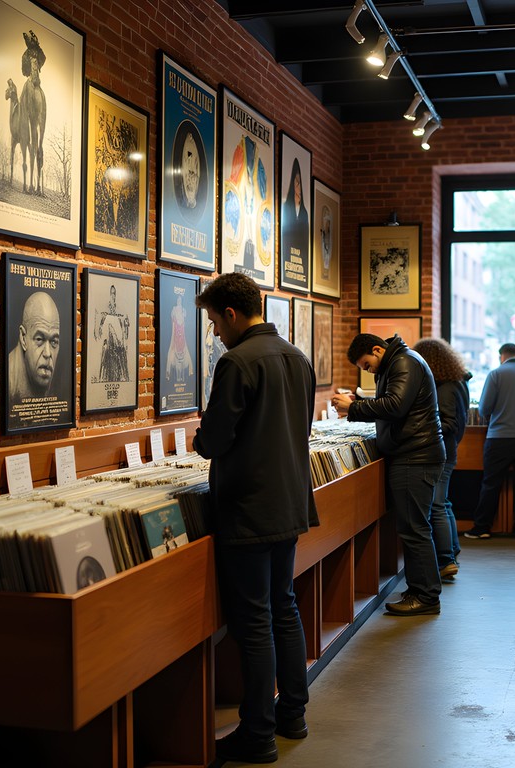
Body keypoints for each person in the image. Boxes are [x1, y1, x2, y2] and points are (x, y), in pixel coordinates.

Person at [193, 272, 317, 764]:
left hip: (247, 509)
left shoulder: (237, 361)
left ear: (231, 314)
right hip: (289, 503)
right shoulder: (297, 357)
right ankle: (293, 715)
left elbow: (214, 439)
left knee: (254, 622)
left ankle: (258, 733)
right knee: (284, 608)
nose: (214, 333)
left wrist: (202, 438)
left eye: (214, 322)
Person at [332, 333, 445, 616]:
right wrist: (359, 399)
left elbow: (395, 406)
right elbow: (394, 402)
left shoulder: (403, 362)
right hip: (413, 454)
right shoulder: (398, 362)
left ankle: (427, 596)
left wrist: (353, 407)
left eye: (367, 365)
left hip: (415, 456)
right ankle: (419, 589)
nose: (369, 371)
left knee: (415, 528)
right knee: (412, 527)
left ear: (377, 350)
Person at [463, 342, 515, 540]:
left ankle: (482, 527)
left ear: (502, 356)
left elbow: (484, 408)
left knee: (491, 483)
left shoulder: (495, 374)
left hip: (499, 437)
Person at [413, 337, 471, 582]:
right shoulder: (456, 381)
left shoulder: (446, 387)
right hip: (448, 450)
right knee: (443, 503)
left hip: (442, 451)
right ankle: (452, 552)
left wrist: (420, 426)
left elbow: (448, 423)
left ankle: (446, 560)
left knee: (436, 505)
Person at [8, 291, 60, 402]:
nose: (47, 353)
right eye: (39, 339)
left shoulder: (61, 382)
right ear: (23, 338)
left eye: (53, 342)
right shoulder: (9, 381)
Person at [94, 284, 130, 382]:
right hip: (108, 342)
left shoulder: (119, 310)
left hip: (118, 343)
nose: (113, 296)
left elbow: (125, 328)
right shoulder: (103, 310)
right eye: (111, 293)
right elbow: (98, 331)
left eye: (114, 293)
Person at [280, 157, 309, 268]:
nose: (299, 187)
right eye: (297, 182)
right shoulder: (286, 208)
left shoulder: (304, 213)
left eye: (300, 183)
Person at [166, 294, 194, 382]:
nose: (179, 301)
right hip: (176, 332)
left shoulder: (183, 310)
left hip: (182, 333)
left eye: (180, 300)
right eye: (178, 300)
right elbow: (173, 321)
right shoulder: (174, 309)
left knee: (183, 350)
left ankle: (183, 375)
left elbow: (184, 322)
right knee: (174, 350)